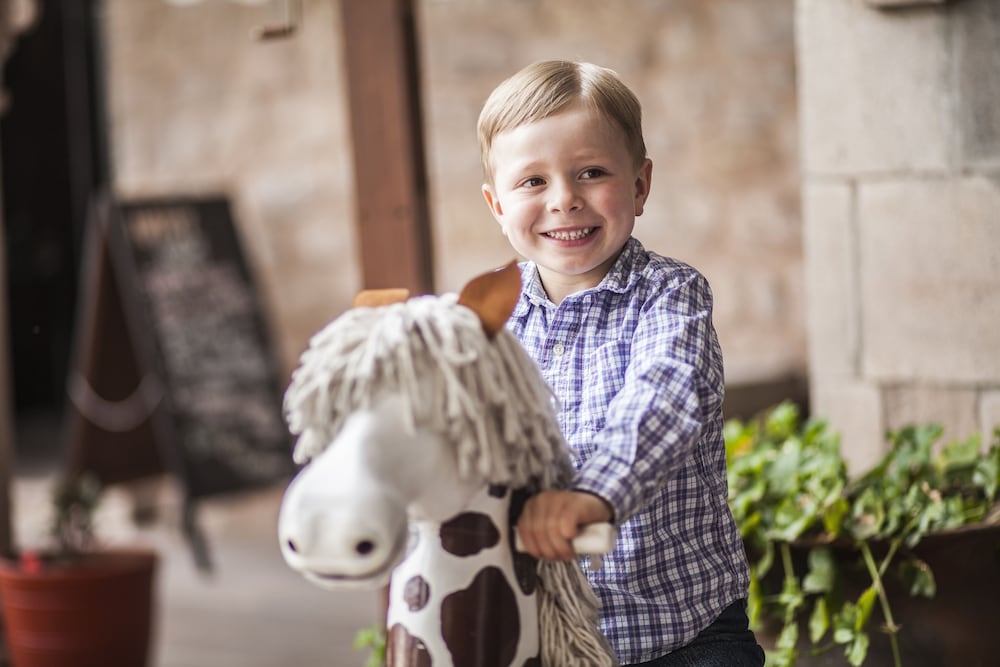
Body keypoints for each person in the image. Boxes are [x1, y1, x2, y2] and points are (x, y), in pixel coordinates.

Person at [477, 60, 764, 667]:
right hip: (545, 638)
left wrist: (591, 497)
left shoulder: (670, 295)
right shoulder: (487, 321)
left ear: (639, 184)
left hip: (685, 635)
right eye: (533, 181)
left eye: (592, 172)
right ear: (496, 204)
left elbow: (664, 402)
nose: (564, 199)